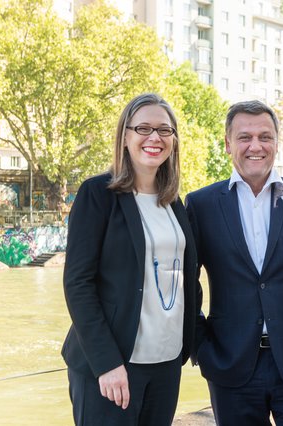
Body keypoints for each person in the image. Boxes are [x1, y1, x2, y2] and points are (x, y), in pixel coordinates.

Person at [185, 100, 283, 426]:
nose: (255, 146)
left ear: (276, 142)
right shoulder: (201, 204)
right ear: (228, 143)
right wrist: (200, 347)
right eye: (245, 137)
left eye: (265, 136)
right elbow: (187, 286)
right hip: (229, 364)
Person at [62, 93, 201, 425]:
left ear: (174, 141)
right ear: (125, 137)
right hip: (113, 365)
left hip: (166, 362)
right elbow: (78, 284)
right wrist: (106, 363)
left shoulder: (174, 202)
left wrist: (193, 344)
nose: (155, 138)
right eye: (143, 128)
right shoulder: (98, 194)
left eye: (164, 130)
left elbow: (186, 279)